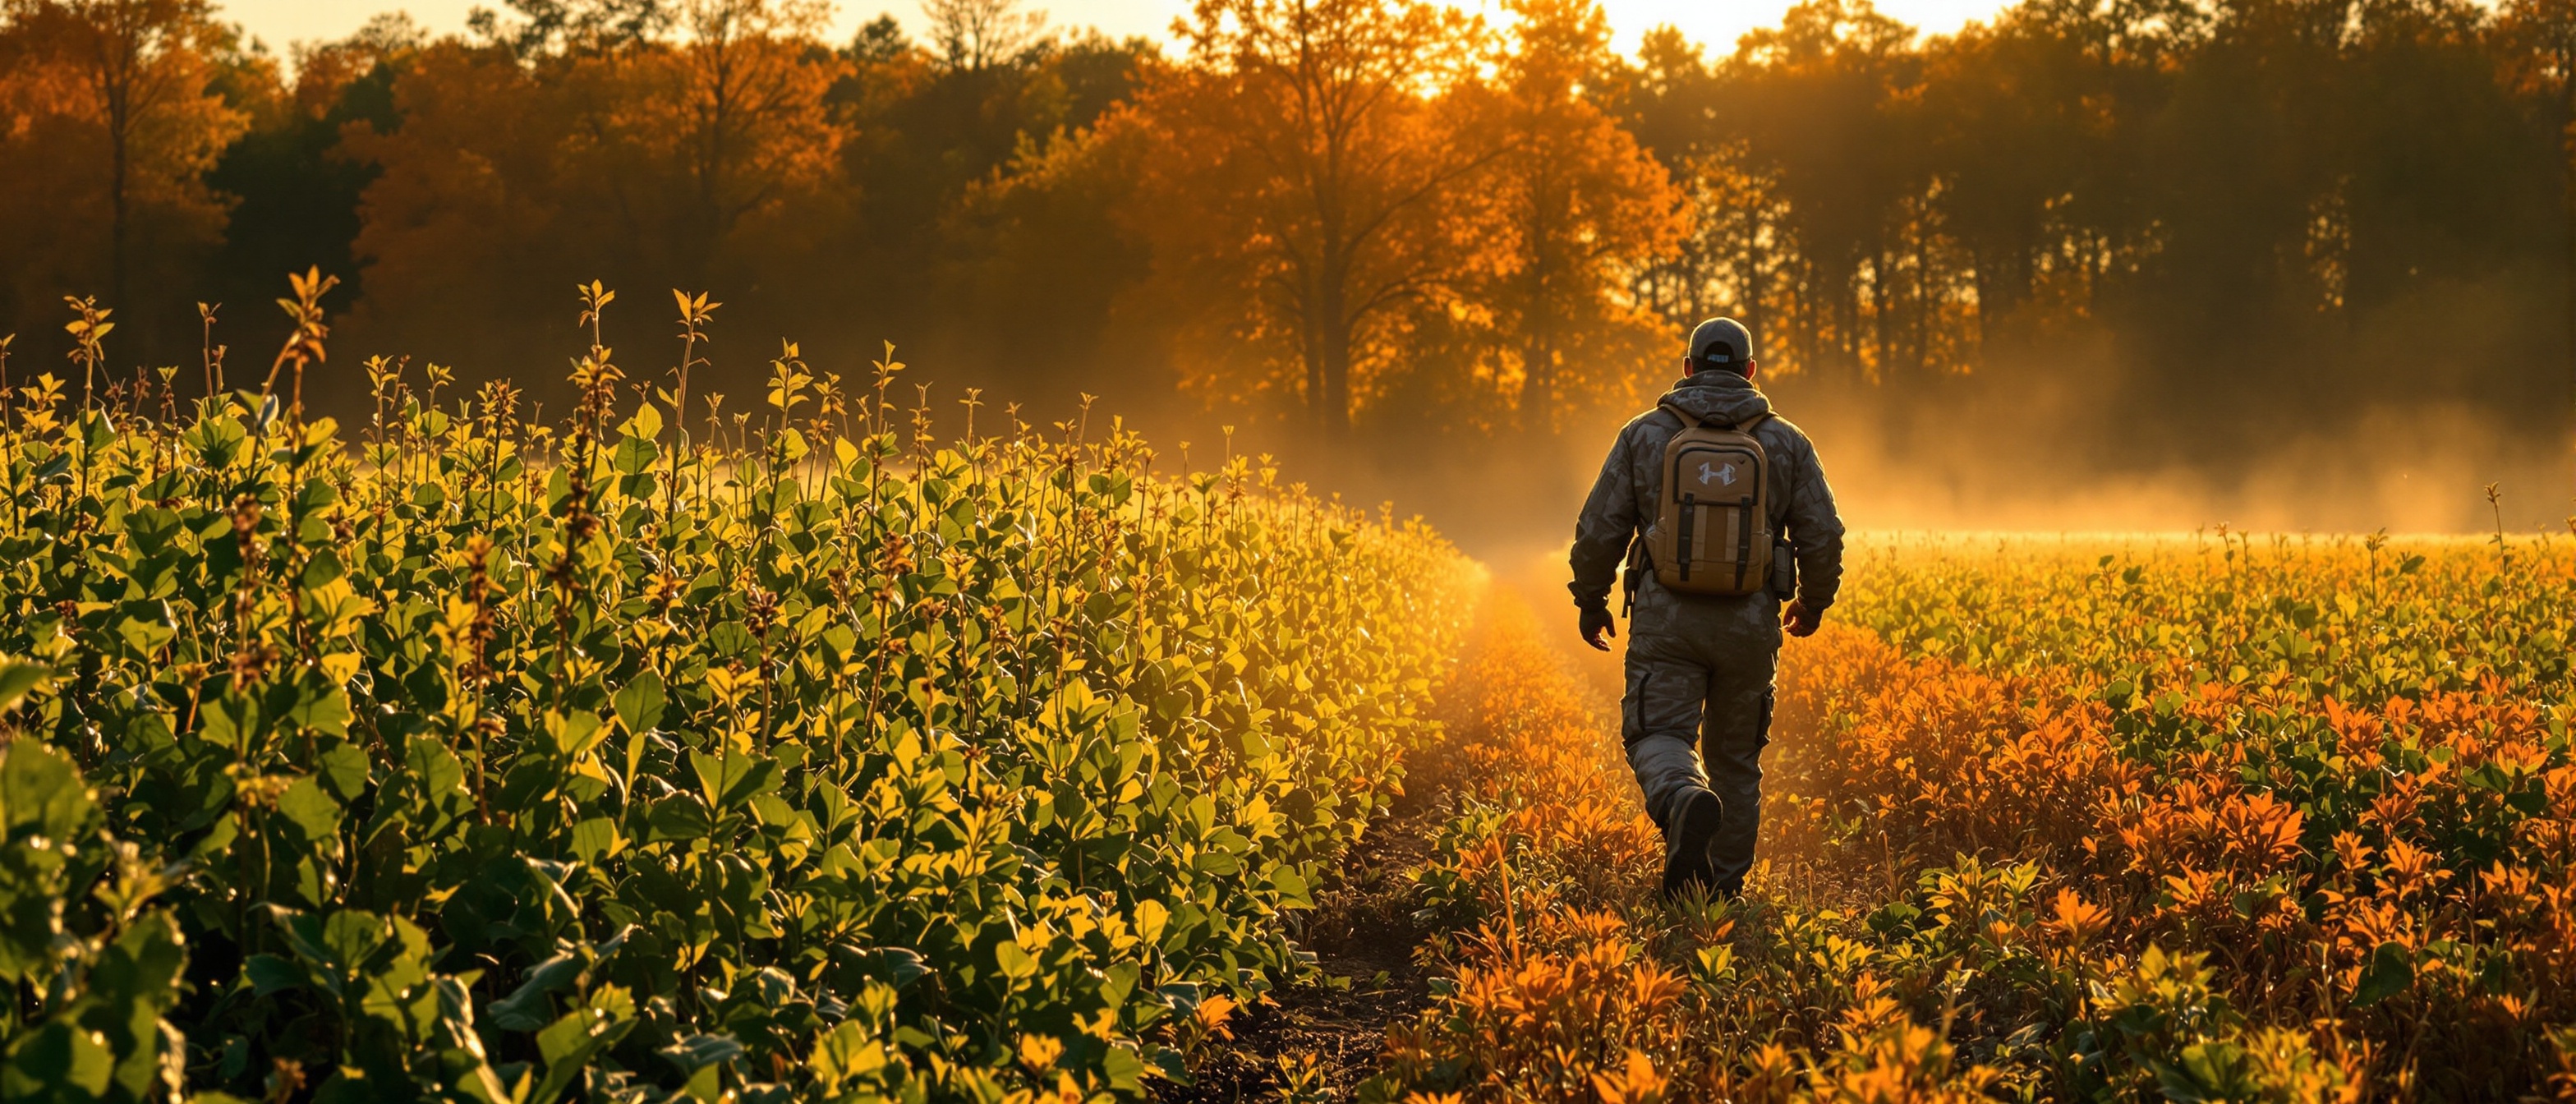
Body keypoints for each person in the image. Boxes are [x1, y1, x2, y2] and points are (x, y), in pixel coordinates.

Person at [1567, 317, 1845, 899]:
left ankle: (1680, 797)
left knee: (1659, 732)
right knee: (1737, 761)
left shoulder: (1644, 435)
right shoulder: (1787, 441)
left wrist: (1591, 600)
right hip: (1749, 628)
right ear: (1749, 371)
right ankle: (1716, 894)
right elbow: (1823, 535)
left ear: (1688, 367)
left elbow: (1600, 530)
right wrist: (1812, 603)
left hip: (1667, 624)